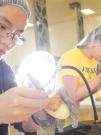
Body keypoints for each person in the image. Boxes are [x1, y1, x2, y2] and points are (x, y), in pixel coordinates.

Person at [0, 0, 61, 135]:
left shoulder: (3, 70)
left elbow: (22, 124)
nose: (8, 42)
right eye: (2, 26)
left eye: (16, 36)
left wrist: (39, 113)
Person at [58, 24, 101, 101]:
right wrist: (99, 79)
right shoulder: (71, 56)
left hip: (85, 107)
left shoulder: (93, 61)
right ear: (97, 41)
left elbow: (90, 90)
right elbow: (72, 96)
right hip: (67, 111)